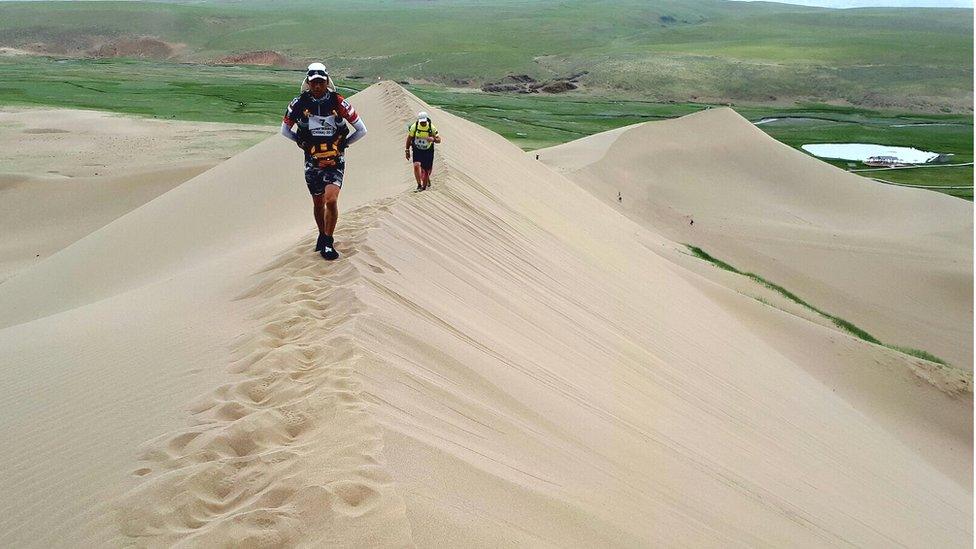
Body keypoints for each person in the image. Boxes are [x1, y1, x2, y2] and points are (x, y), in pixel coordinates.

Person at [281, 63, 367, 260]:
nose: (317, 86)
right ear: (308, 83)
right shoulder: (298, 103)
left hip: (335, 160)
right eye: (314, 82)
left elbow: (361, 129)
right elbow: (284, 130)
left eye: (321, 82)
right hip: (311, 161)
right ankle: (322, 234)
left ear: (327, 81)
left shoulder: (339, 102)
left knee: (331, 199)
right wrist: (301, 144)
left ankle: (328, 241)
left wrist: (344, 145)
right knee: (318, 202)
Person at [405, 111, 440, 191]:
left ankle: (426, 181)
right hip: (417, 149)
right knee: (416, 166)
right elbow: (409, 138)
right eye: (421, 122)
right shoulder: (415, 127)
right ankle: (419, 185)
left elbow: (439, 140)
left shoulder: (431, 128)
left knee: (426, 170)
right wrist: (407, 150)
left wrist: (433, 139)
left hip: (428, 150)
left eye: (424, 122)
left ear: (426, 120)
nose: (423, 123)